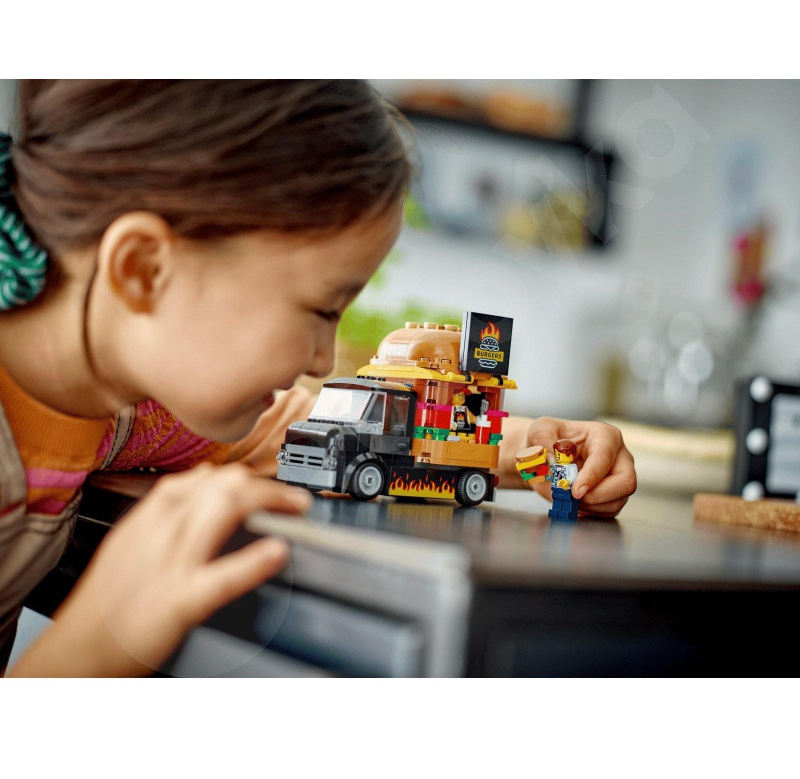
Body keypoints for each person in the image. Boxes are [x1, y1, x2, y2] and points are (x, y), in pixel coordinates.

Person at [0, 80, 635, 677]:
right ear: (144, 270)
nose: (322, 361)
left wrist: (529, 446)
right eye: (322, 310)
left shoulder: (134, 414)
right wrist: (104, 639)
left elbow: (322, 429)